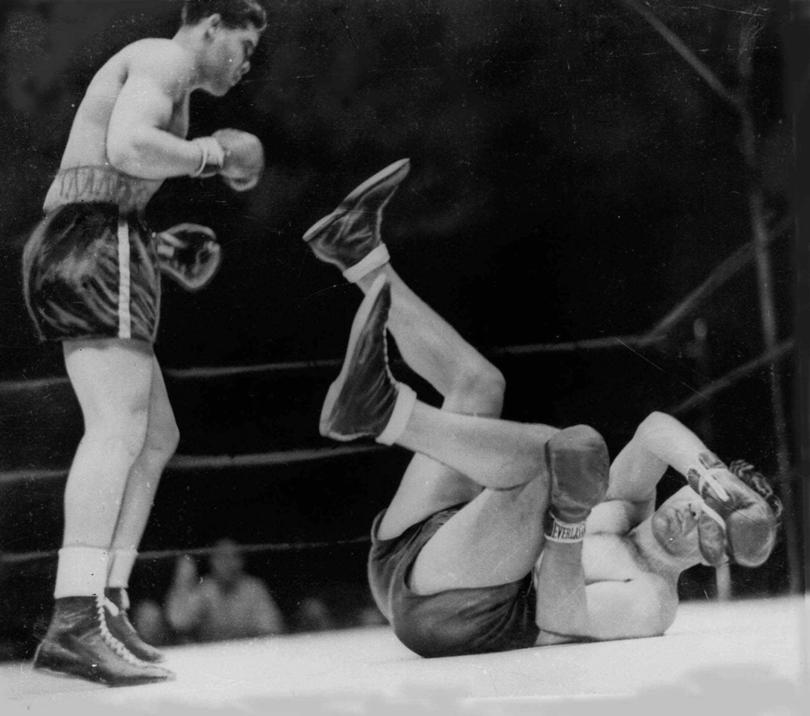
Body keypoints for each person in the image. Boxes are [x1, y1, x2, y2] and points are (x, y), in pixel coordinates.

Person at [303, 160, 783, 657]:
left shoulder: (652, 600)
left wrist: (569, 518)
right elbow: (657, 430)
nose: (689, 510)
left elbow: (562, 615)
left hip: (457, 614)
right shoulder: (628, 505)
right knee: (478, 384)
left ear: (716, 551)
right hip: (417, 549)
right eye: (696, 498)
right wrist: (718, 481)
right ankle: (357, 251)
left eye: (708, 520)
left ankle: (384, 412)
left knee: (551, 461)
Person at [23, 0, 267, 685]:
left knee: (155, 434)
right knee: (118, 425)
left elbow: (105, 168)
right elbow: (129, 145)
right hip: (93, 238)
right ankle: (76, 614)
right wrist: (214, 155)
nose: (244, 66)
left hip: (105, 235)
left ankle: (106, 601)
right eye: (242, 47)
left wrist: (154, 244)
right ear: (211, 24)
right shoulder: (166, 58)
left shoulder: (168, 78)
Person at [164, 539, 286, 643]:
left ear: (242, 561)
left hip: (248, 654)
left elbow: (272, 630)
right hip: (212, 657)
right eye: (222, 557)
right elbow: (179, 622)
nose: (229, 563)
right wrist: (183, 582)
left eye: (234, 557)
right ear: (212, 561)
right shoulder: (205, 588)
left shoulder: (253, 588)